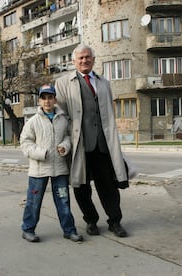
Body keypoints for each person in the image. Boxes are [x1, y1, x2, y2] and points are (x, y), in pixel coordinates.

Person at [55, 45, 129, 237]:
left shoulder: (104, 83)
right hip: (79, 143)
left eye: (87, 57)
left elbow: (108, 112)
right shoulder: (63, 83)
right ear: (74, 62)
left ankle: (115, 221)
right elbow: (61, 114)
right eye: (80, 58)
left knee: (109, 186)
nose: (84, 61)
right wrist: (65, 140)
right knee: (81, 186)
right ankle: (91, 220)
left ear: (94, 59)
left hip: (103, 143)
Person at [20, 84, 83, 243]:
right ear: (39, 100)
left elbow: (68, 137)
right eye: (44, 98)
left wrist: (65, 146)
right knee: (34, 202)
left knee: (63, 201)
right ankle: (28, 229)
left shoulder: (63, 119)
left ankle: (69, 231)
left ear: (55, 99)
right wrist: (42, 153)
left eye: (50, 97)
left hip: (60, 169)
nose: (47, 101)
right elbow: (25, 144)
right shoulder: (33, 122)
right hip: (38, 170)